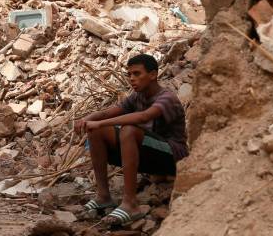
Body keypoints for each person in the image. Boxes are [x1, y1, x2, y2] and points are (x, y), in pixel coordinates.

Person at [74, 54, 188, 228]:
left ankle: (130, 204)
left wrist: (99, 123)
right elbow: (109, 112)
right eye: (129, 75)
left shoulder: (167, 98)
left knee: (129, 130)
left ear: (153, 75)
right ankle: (103, 196)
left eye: (137, 74)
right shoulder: (137, 96)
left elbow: (144, 116)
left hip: (173, 157)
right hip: (150, 155)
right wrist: (87, 119)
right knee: (96, 132)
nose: (132, 79)